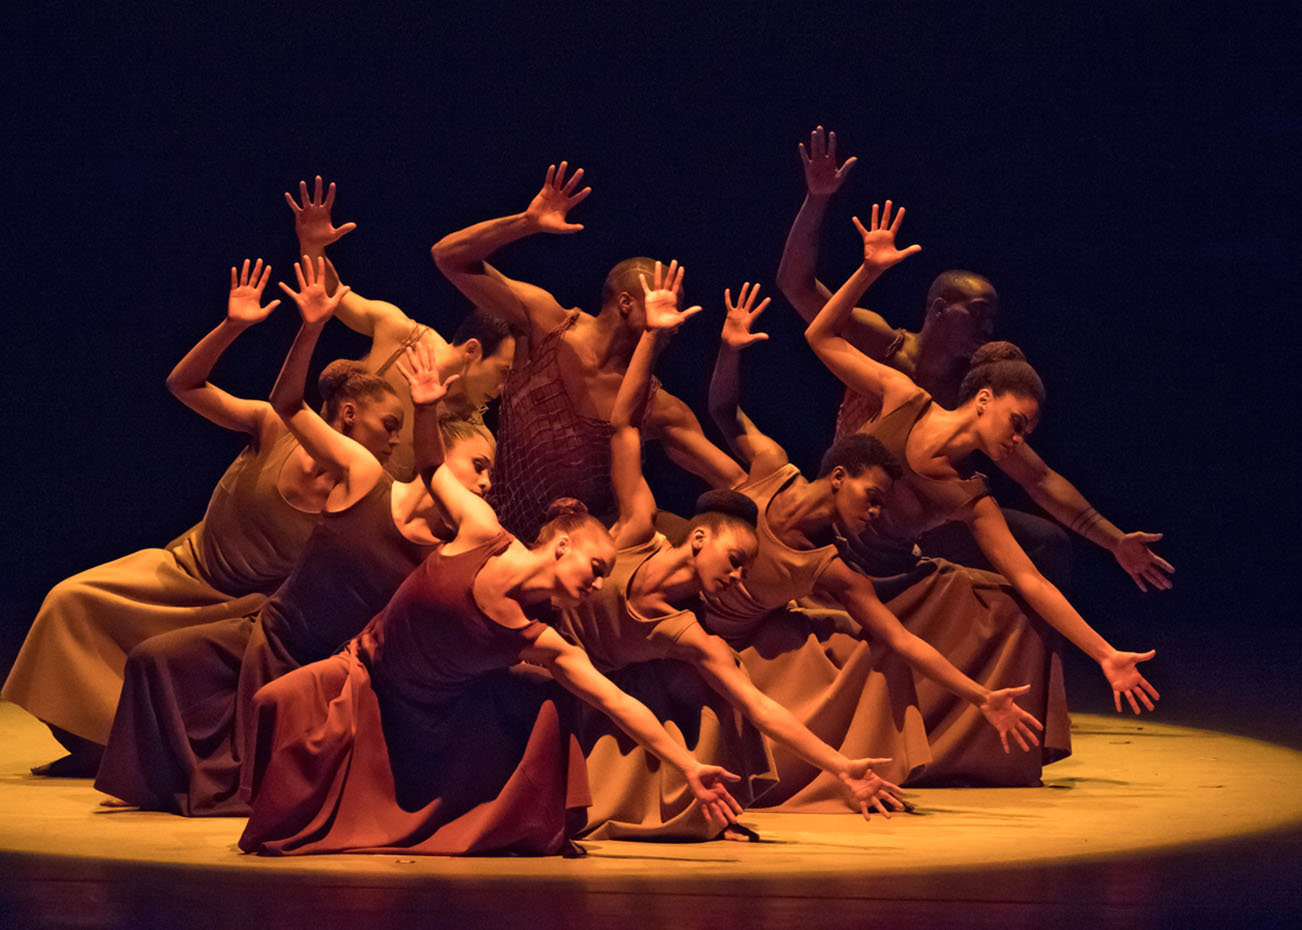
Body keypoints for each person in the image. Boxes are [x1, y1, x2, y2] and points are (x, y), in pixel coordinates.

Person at [236, 346, 745, 856]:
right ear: (561, 545)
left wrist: (688, 765)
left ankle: (511, 819)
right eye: (596, 568)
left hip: (432, 722)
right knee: (270, 703)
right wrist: (427, 407)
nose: (598, 583)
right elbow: (434, 465)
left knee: (547, 692)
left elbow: (615, 700)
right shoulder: (481, 530)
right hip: (362, 675)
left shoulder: (543, 638)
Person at [93, 258, 494, 815]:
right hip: (260, 616)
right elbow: (284, 402)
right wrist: (310, 325)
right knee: (152, 658)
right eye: (478, 465)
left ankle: (240, 775)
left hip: (317, 653)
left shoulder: (455, 537)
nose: (486, 482)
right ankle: (158, 777)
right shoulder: (362, 476)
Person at [799, 200, 1159, 778]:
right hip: (829, 549)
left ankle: (970, 747)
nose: (1019, 440)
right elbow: (819, 332)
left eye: (1028, 432)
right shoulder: (901, 392)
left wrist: (1106, 654)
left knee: (1015, 607)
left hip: (894, 580)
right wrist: (868, 270)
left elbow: (1031, 579)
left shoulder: (973, 495)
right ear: (984, 400)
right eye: (1017, 423)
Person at [1, 259, 399, 777]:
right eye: (389, 424)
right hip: (181, 572)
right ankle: (97, 746)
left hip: (241, 608)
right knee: (66, 605)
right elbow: (184, 385)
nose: (395, 438)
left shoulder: (364, 489)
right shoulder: (272, 427)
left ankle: (134, 751)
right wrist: (233, 327)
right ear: (348, 413)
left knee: (187, 664)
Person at [559, 261, 905, 839]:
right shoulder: (636, 531)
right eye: (735, 560)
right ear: (698, 537)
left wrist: (840, 766)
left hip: (575, 686)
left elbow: (762, 706)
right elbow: (623, 424)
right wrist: (651, 335)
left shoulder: (690, 633)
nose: (740, 577)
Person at [776, 126, 1174, 594]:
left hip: (925, 521)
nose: (988, 328)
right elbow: (797, 286)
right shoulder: (885, 348)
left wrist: (1114, 542)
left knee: (1044, 545)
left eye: (993, 319)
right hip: (857, 511)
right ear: (939, 310)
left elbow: (1038, 477)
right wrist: (817, 199)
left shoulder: (975, 392)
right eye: (978, 314)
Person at [706, 278, 1047, 794]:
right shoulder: (771, 468)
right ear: (841, 475)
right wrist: (730, 352)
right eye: (872, 497)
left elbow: (901, 640)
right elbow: (724, 414)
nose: (876, 512)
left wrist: (980, 696)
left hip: (722, 646)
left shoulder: (831, 570)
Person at [430, 162, 747, 539]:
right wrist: (527, 223)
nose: (675, 317)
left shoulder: (657, 405)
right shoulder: (547, 324)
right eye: (663, 301)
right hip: (500, 536)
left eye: (677, 306)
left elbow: (736, 482)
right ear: (626, 304)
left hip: (584, 565)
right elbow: (448, 257)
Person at [285, 175, 517, 481]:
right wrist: (312, 243)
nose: (503, 388)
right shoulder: (399, 332)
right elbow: (333, 295)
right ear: (473, 350)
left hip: (359, 512)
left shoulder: (470, 428)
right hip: (305, 465)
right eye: (503, 371)